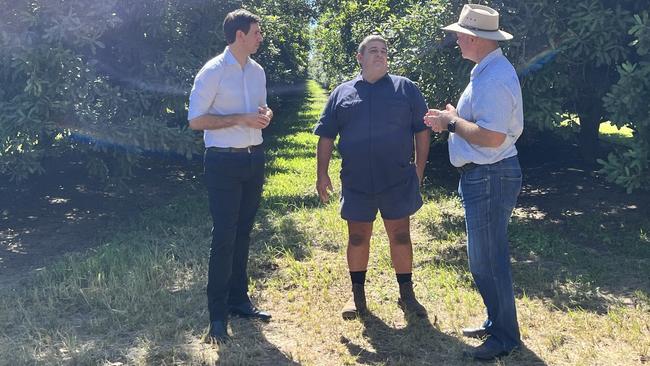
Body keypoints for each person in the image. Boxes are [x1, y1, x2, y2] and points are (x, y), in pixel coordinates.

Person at [424, 4, 524, 361]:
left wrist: (450, 123)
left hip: (490, 175)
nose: (455, 42)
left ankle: (504, 337)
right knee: (484, 257)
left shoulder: (493, 77)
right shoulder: (488, 71)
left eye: (459, 36)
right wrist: (455, 116)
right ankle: (497, 323)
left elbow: (492, 137)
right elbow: (486, 125)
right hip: (486, 175)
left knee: (488, 260)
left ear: (474, 38)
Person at [314, 34, 431, 320]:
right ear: (360, 57)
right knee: (357, 237)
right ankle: (357, 297)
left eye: (384, 51)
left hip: (397, 179)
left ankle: (406, 294)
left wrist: (419, 168)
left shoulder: (406, 89)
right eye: (374, 51)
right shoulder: (342, 93)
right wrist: (322, 174)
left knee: (401, 236)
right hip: (357, 182)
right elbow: (326, 135)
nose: (380, 55)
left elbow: (422, 130)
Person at [188, 8, 273, 344]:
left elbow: (261, 109)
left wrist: (266, 115)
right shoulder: (213, 71)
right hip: (223, 161)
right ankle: (217, 315)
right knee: (224, 236)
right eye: (257, 32)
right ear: (239, 35)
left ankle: (239, 300)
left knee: (243, 233)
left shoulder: (257, 71)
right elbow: (196, 120)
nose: (260, 37)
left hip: (254, 160)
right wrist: (240, 119)